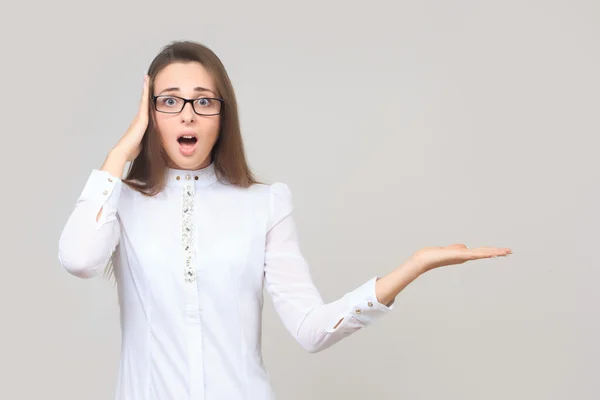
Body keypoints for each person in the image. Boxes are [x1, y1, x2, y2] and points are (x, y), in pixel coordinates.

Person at [58, 40, 512, 400]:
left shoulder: (265, 203)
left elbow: (313, 330)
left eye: (203, 101)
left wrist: (415, 265)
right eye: (170, 102)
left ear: (223, 113)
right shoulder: (120, 200)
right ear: (150, 113)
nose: (188, 114)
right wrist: (121, 153)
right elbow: (79, 259)